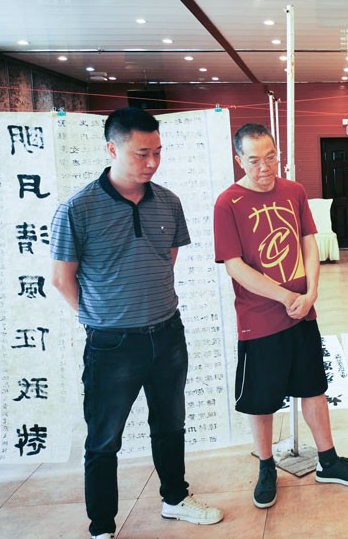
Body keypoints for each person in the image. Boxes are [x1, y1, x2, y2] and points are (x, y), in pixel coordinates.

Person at [50, 107, 223, 539]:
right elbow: (62, 278)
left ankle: (175, 498)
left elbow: (167, 259)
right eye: (141, 153)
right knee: (104, 438)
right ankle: (102, 526)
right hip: (111, 344)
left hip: (167, 333)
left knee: (170, 423)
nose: (152, 162)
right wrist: (100, 318)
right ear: (112, 149)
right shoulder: (77, 209)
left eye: (157, 152)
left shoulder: (168, 201)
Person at [213, 123, 348, 509]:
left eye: (271, 158)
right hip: (258, 317)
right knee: (261, 398)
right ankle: (266, 466)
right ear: (239, 160)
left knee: (313, 386)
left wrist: (311, 291)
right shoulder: (228, 203)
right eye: (254, 160)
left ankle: (328, 460)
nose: (264, 167)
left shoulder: (294, 191)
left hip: (302, 312)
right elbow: (235, 266)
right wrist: (285, 296)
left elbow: (307, 242)